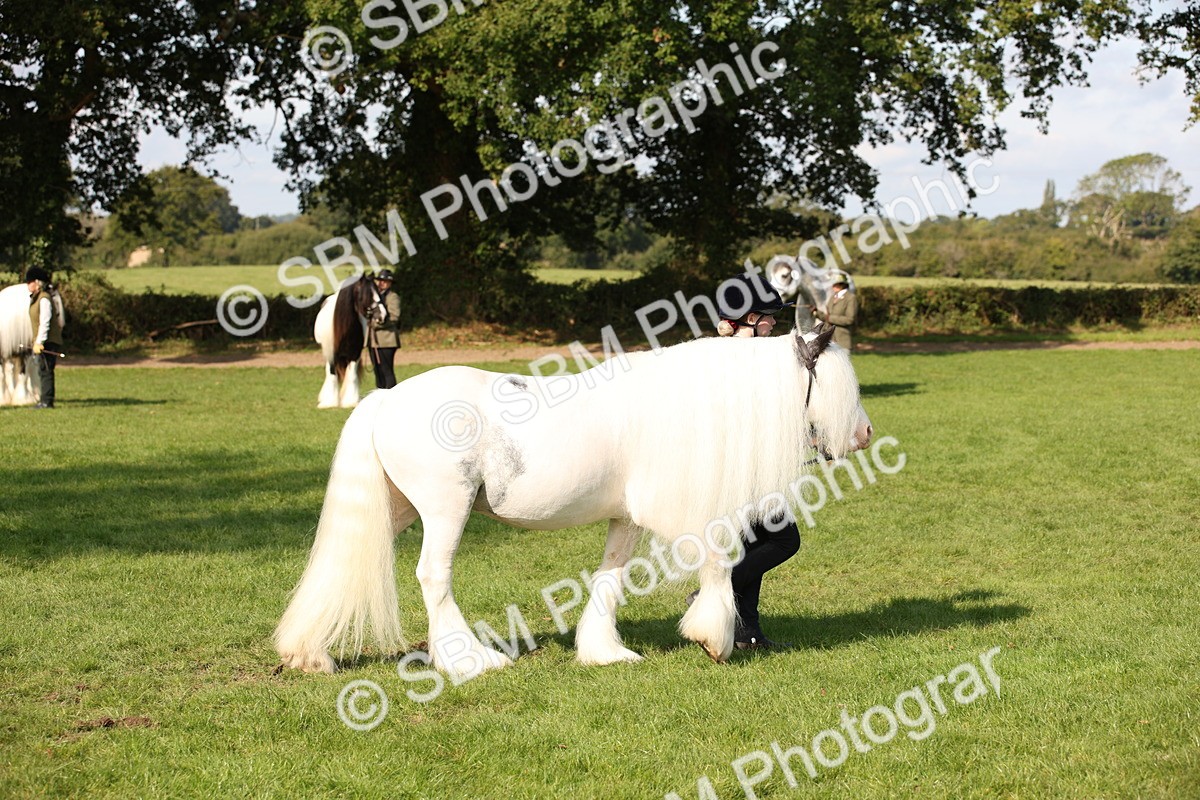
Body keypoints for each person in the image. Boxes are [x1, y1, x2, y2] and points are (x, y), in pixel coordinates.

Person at [688, 272, 803, 650]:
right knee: (784, 540)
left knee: (754, 545)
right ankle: (712, 595)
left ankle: (748, 632)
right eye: (770, 315)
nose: (775, 322)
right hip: (741, 473)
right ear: (751, 318)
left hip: (743, 469)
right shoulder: (740, 358)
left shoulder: (735, 353)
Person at [25, 267, 64, 409]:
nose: (28, 285)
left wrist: (39, 342)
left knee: (46, 370)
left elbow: (45, 322)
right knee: (42, 370)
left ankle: (47, 401)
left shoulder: (44, 299)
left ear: (37, 282)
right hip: (42, 341)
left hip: (48, 341)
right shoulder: (36, 299)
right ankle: (44, 399)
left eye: (30, 282)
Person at [367, 269, 402, 390]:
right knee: (377, 371)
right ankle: (380, 394)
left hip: (387, 340)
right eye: (380, 281)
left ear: (390, 283)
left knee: (387, 371)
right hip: (373, 341)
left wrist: (377, 325)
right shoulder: (374, 297)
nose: (382, 283)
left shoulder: (393, 297)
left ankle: (391, 395)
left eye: (385, 281)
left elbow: (394, 317)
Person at [809, 270, 857, 352]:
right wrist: (816, 312)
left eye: (836, 283)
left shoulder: (850, 298)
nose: (833, 286)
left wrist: (830, 318)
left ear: (842, 284)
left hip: (842, 340)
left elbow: (850, 319)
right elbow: (827, 317)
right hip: (828, 340)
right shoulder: (833, 297)